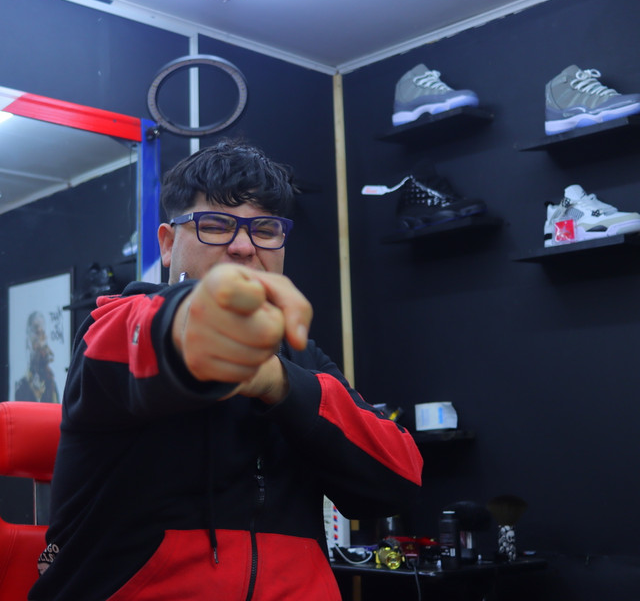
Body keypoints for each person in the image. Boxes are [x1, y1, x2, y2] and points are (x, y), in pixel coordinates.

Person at [29, 139, 423, 601]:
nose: (243, 247)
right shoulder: (112, 326)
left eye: (266, 229)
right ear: (168, 243)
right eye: (215, 226)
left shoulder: (302, 358)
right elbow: (152, 334)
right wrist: (198, 320)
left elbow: (400, 479)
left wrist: (279, 383)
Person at [14, 311, 60, 403]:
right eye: (36, 331)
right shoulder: (22, 385)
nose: (40, 338)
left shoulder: (51, 383)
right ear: (28, 335)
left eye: (42, 332)